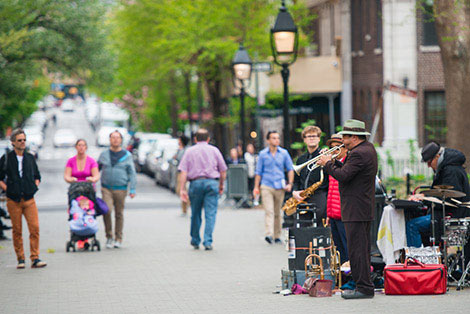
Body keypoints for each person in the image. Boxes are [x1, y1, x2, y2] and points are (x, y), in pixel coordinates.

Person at [317, 119, 377, 299]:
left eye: (345, 136)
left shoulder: (359, 153)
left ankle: (364, 288)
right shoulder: (366, 149)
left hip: (356, 209)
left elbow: (343, 176)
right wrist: (334, 162)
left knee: (357, 250)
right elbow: (349, 172)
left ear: (354, 137)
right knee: (361, 249)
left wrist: (327, 164)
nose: (342, 139)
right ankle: (364, 286)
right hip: (361, 208)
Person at [406, 142, 470, 247]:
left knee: (412, 225)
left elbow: (448, 199)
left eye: (429, 162)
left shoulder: (451, 171)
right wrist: (424, 197)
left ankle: (417, 259)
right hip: (447, 212)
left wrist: (424, 198)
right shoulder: (447, 168)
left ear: (437, 157)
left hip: (453, 214)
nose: (428, 166)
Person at [0, 129, 47, 269]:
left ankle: (35, 257)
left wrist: (34, 187)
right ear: (13, 142)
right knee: (17, 230)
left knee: (34, 228)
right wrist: (7, 189)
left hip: (29, 199)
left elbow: (37, 176)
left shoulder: (30, 158)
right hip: (13, 200)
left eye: (24, 140)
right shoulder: (7, 158)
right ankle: (20, 258)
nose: (22, 143)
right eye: (19, 140)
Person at [178, 129, 227, 250]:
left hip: (195, 183)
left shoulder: (189, 151)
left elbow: (183, 171)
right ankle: (208, 241)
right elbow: (223, 170)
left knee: (195, 213)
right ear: (208, 139)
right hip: (211, 183)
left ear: (195, 139)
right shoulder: (214, 150)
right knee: (211, 213)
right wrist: (221, 185)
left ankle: (195, 239)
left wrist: (182, 188)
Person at [253, 131, 294, 244]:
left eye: (277, 138)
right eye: (274, 138)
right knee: (269, 211)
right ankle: (269, 234)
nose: (276, 140)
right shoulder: (262, 154)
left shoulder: (284, 153)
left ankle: (277, 235)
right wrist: (256, 187)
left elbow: (290, 169)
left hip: (280, 187)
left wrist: (290, 183)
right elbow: (258, 172)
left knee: (277, 212)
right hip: (266, 185)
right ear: (268, 140)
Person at [98, 130, 136, 249]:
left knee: (119, 213)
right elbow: (96, 168)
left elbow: (132, 173)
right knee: (107, 210)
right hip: (106, 188)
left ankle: (118, 238)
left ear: (121, 140)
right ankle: (109, 236)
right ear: (109, 140)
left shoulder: (127, 155)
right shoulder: (104, 154)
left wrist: (132, 189)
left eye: (117, 138)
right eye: (113, 137)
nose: (115, 140)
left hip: (121, 188)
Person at [292, 126, 329, 223]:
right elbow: (296, 180)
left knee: (320, 224)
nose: (311, 138)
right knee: (301, 226)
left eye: (314, 136)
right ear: (304, 140)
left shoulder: (324, 156)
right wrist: (295, 192)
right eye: (308, 136)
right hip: (303, 196)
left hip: (319, 195)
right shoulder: (301, 159)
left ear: (319, 138)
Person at [325, 134, 349, 264]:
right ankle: (343, 277)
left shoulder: (346, 164)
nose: (333, 151)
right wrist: (329, 213)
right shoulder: (332, 165)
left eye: (337, 147)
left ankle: (350, 277)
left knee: (347, 248)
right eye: (331, 148)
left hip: (343, 214)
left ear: (345, 148)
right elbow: (331, 191)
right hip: (334, 214)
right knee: (339, 249)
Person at [175, 135, 190, 216]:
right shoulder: (181, 149)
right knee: (180, 190)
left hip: (184, 172)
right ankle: (184, 208)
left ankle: (189, 204)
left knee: (181, 190)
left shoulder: (186, 150)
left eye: (179, 140)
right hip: (180, 172)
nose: (178, 142)